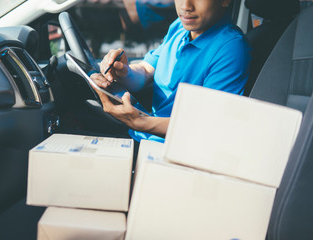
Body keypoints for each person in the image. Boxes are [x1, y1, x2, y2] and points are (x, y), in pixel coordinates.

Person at [91, 0, 251, 143]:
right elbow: (146, 70)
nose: (186, 6)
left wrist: (140, 122)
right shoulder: (180, 27)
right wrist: (124, 72)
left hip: (170, 150)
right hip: (143, 135)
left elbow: (207, 126)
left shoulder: (231, 48)